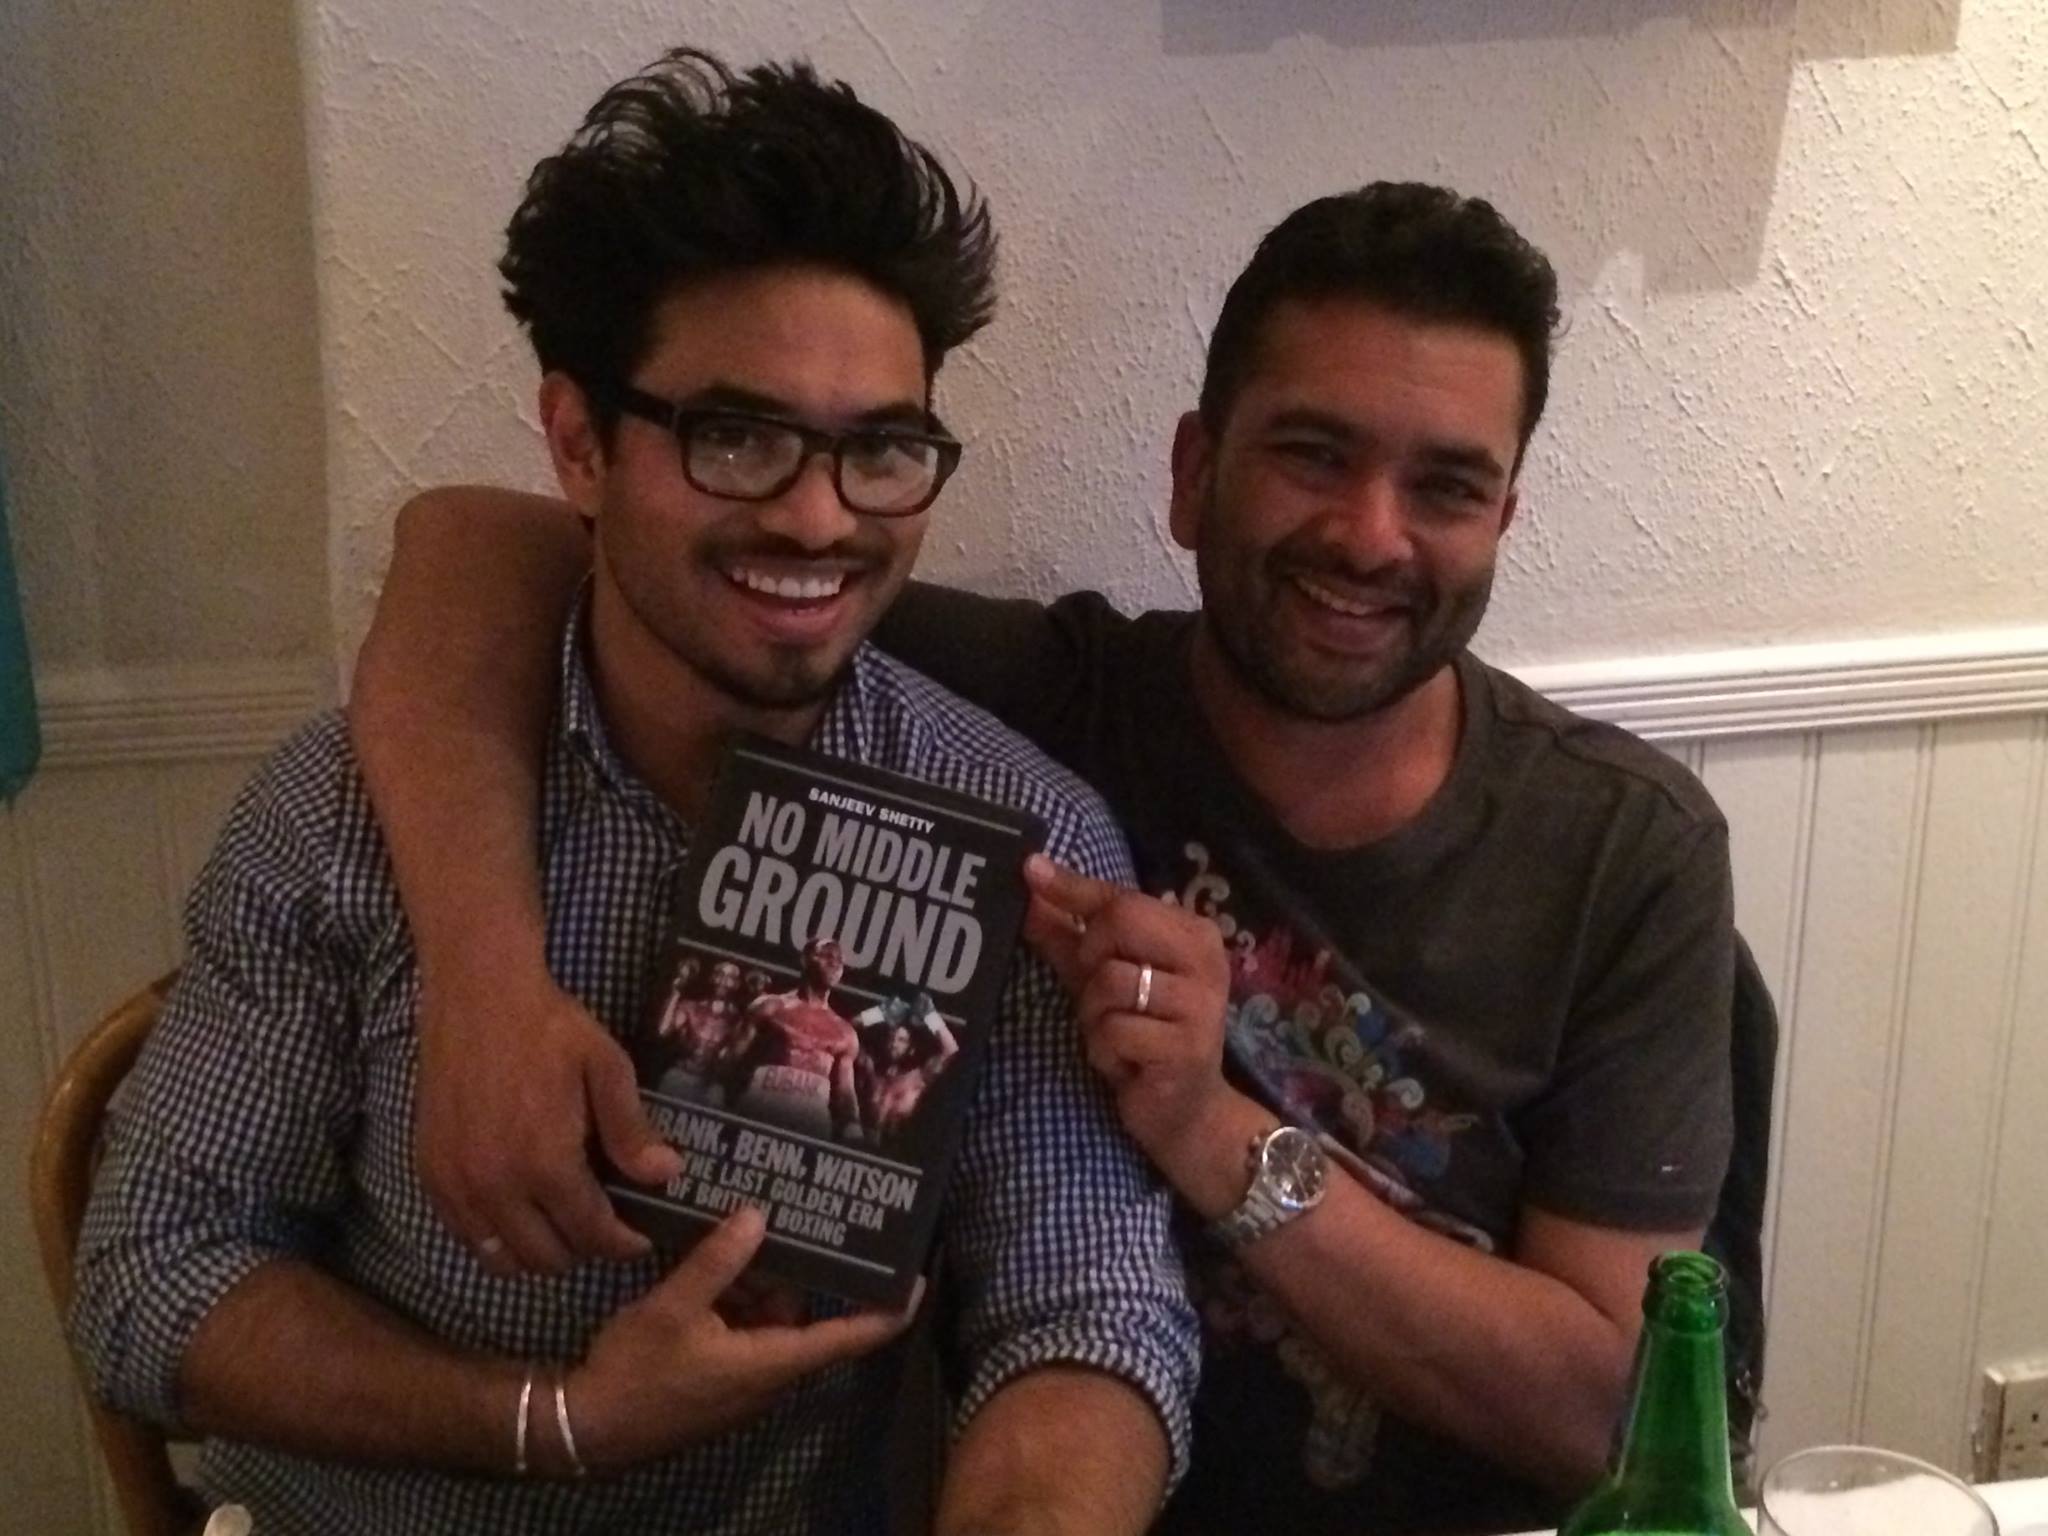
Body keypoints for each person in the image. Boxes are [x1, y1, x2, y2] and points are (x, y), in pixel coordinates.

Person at [349, 181, 1738, 1534]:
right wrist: (486, 987)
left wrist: (1211, 1133)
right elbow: (475, 546)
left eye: (1445, 485)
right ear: (1192, 475)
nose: (1370, 535)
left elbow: (1615, 1419)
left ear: (1503, 520)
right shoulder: (1036, 712)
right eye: (1312, 455)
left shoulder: (1622, 844)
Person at [70, 47, 1196, 1536]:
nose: (817, 516)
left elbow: (1086, 1307)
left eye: (882, 449)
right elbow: (150, 1272)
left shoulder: (1010, 835)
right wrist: (550, 1422)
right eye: (735, 437)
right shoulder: (353, 809)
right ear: (579, 444)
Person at [718, 937, 863, 1139]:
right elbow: (732, 1054)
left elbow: (845, 1090)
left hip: (812, 1117)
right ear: (805, 959)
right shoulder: (770, 1006)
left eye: (840, 960)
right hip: (762, 1103)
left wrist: (852, 1124)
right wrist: (715, 1089)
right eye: (827, 955)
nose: (834, 963)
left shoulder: (845, 1032)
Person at [853, 991, 962, 1146]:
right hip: (861, 1142)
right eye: (891, 1037)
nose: (894, 1043)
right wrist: (878, 1013)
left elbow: (951, 1051)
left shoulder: (918, 1078)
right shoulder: (871, 1070)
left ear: (911, 1048)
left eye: (901, 1040)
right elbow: (845, 1031)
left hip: (897, 1148)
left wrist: (930, 1016)